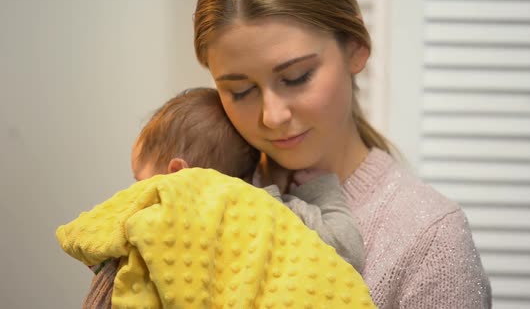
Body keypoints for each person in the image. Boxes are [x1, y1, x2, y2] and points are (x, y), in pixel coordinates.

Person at [192, 0, 492, 308]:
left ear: (355, 48)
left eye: (297, 77)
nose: (272, 116)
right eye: (241, 92)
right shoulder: (198, 198)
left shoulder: (431, 239)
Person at [80, 87, 365, 308]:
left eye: (140, 181)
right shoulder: (276, 213)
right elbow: (347, 248)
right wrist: (320, 190)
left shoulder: (147, 227)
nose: (135, 194)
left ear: (177, 173)